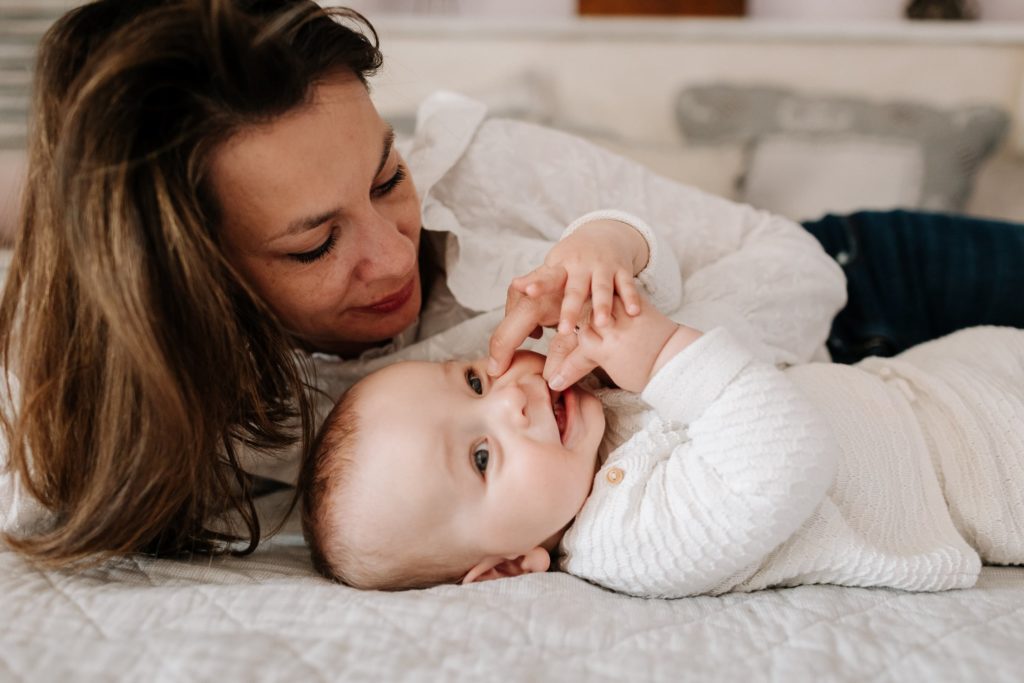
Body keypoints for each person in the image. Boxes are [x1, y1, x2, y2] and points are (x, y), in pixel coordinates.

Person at [0, 0, 1019, 568]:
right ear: (185, 275)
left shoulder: (485, 167)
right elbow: (46, 475)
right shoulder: (195, 409)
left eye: (387, 177)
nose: (395, 255)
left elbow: (792, 267)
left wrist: (625, 290)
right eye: (314, 247)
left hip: (874, 284)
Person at [298, 258, 1023, 595]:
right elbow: (785, 457)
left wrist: (605, 286)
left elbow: (740, 349)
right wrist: (663, 352)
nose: (510, 400)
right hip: (984, 469)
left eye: (474, 380)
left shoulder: (588, 413)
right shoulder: (628, 539)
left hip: (941, 375)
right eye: (483, 457)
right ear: (514, 565)